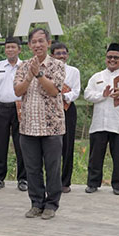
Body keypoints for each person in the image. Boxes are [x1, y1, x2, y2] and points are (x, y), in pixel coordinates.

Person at [13, 28, 66, 220]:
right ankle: (36, 203)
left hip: (52, 126)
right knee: (32, 168)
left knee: (52, 167)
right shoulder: (23, 65)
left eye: (41, 41)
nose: (37, 45)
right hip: (28, 126)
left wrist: (39, 75)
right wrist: (29, 75)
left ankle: (51, 204)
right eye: (34, 42)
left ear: (49, 43)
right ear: (29, 45)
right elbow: (18, 91)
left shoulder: (57, 65)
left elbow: (54, 90)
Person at [84, 43, 119, 195]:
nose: (112, 60)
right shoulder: (97, 77)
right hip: (99, 123)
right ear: (106, 58)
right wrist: (102, 95)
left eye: (116, 57)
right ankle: (93, 183)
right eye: (109, 57)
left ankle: (118, 185)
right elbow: (87, 94)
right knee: (95, 156)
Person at [0, 37, 28, 191]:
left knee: (22, 145)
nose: (10, 50)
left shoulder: (25, 66)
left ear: (19, 49)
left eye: (13, 47)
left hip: (19, 108)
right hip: (0, 108)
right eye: (7, 47)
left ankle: (23, 179)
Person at [51, 42, 80, 193]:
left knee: (68, 145)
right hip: (50, 110)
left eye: (64, 53)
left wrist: (63, 96)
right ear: (52, 55)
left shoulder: (73, 71)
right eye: (58, 53)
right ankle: (51, 180)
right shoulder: (47, 70)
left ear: (67, 55)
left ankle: (65, 182)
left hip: (68, 109)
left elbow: (76, 91)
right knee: (51, 145)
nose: (61, 56)